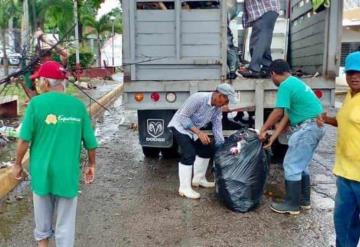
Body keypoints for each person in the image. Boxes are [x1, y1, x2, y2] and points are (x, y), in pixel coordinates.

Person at [12, 61, 98, 247]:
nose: (36, 84)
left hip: (41, 172)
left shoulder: (36, 104)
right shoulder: (77, 106)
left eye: (38, 80)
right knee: (65, 227)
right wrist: (92, 165)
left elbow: (24, 140)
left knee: (42, 224)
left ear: (44, 82)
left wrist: (18, 164)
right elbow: (91, 143)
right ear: (62, 82)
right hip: (67, 174)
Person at [259, 59, 324, 215]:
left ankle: (292, 205)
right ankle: (304, 201)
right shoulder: (295, 82)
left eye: (271, 76)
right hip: (315, 127)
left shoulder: (285, 85)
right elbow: (286, 118)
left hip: (308, 128)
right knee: (301, 164)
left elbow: (278, 112)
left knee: (291, 164)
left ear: (273, 73)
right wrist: (272, 138)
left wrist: (262, 129)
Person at [168, 83, 236, 199]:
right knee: (189, 153)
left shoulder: (217, 108)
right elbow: (183, 117)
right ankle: (184, 188)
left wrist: (221, 147)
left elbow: (217, 127)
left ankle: (198, 179)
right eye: (227, 100)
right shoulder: (198, 98)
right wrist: (199, 133)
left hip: (193, 130)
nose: (227, 104)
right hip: (179, 127)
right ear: (220, 95)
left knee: (207, 148)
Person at [321, 51, 360, 247]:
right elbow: (347, 122)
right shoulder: (350, 96)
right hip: (345, 173)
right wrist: (327, 120)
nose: (355, 77)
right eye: (351, 72)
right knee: (344, 221)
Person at [239, 0, 280, 78]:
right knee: (264, 39)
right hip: (267, 9)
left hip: (264, 9)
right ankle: (267, 67)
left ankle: (254, 69)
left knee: (258, 40)